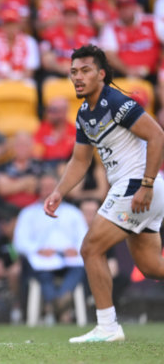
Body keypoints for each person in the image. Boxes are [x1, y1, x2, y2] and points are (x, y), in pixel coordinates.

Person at [44, 44, 164, 342]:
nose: (77, 77)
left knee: (90, 249)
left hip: (137, 186)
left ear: (101, 74)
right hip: (136, 187)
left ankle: (108, 327)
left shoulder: (116, 102)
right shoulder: (85, 112)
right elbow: (81, 160)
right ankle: (107, 327)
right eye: (73, 72)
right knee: (151, 267)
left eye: (85, 71)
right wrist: (59, 192)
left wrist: (146, 185)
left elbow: (157, 135)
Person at [15, 171, 87, 325]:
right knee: (42, 273)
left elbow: (85, 238)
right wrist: (38, 249)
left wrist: (74, 248)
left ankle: (56, 302)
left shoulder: (73, 213)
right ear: (39, 190)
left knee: (79, 267)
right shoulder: (28, 213)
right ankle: (59, 303)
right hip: (42, 260)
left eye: (51, 187)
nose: (48, 191)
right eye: (44, 188)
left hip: (69, 258)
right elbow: (19, 242)